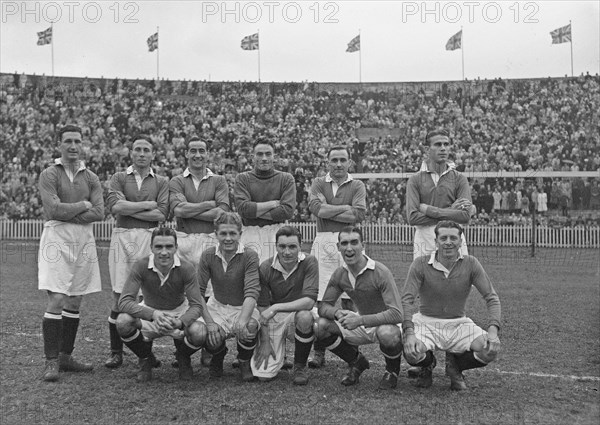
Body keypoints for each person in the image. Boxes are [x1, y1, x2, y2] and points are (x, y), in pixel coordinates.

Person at [38, 124, 105, 382]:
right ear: (60, 145)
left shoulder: (91, 177)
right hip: (57, 238)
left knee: (75, 300)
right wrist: (82, 205)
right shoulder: (50, 174)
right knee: (56, 299)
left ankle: (66, 356)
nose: (73, 146)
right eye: (68, 141)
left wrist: (71, 210)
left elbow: (99, 212)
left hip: (84, 239)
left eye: (77, 141)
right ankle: (51, 361)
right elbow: (53, 211)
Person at [401, 220, 501, 391]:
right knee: (412, 352)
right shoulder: (420, 264)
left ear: (460, 241)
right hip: (426, 322)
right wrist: (409, 333)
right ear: (436, 242)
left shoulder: (471, 264)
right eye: (443, 238)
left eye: (453, 238)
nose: (448, 242)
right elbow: (406, 300)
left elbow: (491, 298)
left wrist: (493, 332)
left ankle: (455, 366)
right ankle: (428, 364)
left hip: (458, 323)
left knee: (489, 350)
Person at [105, 135, 169, 369]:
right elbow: (116, 207)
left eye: (146, 150)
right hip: (122, 237)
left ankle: (146, 353)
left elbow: (161, 214)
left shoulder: (161, 181)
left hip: (149, 239)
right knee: (119, 295)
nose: (142, 153)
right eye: (137, 149)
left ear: (153, 154)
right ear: (131, 153)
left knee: (145, 297)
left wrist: (130, 208)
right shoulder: (119, 177)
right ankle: (115, 352)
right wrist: (146, 205)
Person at [313, 226, 404, 390]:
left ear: (363, 245)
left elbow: (397, 314)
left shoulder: (380, 271)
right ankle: (356, 362)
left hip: (385, 324)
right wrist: (338, 312)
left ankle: (392, 371)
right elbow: (323, 307)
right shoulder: (340, 274)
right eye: (344, 243)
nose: (349, 248)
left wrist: (360, 320)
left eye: (354, 242)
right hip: (361, 322)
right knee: (320, 327)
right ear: (338, 247)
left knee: (387, 334)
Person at [117, 227, 208, 382]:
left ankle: (183, 358)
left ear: (176, 248)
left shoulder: (187, 267)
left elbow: (197, 305)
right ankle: (145, 358)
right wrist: (153, 314)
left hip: (178, 313)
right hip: (150, 312)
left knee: (199, 332)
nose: (164, 252)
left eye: (169, 247)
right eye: (159, 247)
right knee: (123, 321)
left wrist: (180, 321)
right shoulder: (141, 265)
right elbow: (124, 302)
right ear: (151, 247)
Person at [169, 136, 230, 366]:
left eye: (201, 151)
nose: (197, 155)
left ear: (207, 154)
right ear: (186, 154)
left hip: (210, 239)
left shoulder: (219, 180)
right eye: (192, 150)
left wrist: (190, 209)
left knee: (209, 293)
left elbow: (221, 214)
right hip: (184, 240)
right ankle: (181, 350)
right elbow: (178, 211)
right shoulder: (177, 180)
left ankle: (207, 347)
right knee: (183, 294)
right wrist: (208, 204)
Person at [307, 145, 366, 369]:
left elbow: (358, 213)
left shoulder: (357, 184)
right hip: (323, 241)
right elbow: (317, 211)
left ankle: (352, 351)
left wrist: (328, 207)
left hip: (349, 239)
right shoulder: (318, 183)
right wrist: (344, 208)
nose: (339, 164)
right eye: (334, 160)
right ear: (328, 162)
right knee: (322, 297)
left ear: (349, 162)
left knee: (351, 294)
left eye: (343, 160)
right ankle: (319, 350)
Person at [196, 212, 261, 382]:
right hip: (218, 306)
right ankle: (218, 356)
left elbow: (252, 291)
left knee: (250, 325)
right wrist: (210, 323)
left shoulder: (250, 255)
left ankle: (244, 360)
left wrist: (242, 320)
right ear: (216, 234)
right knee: (201, 332)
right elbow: (198, 292)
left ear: (240, 234)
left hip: (242, 307)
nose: (228, 238)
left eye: (232, 233)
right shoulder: (208, 255)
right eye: (223, 233)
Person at [251, 226, 318, 385]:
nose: (287, 252)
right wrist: (266, 341)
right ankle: (279, 357)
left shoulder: (309, 262)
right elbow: (263, 308)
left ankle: (300, 366)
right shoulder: (266, 267)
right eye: (282, 246)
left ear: (300, 246)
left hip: (296, 313)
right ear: (276, 247)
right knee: (263, 376)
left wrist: (276, 307)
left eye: (292, 246)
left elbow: (309, 301)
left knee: (306, 317)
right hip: (273, 318)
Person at [406, 129, 475, 259]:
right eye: (438, 144)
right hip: (425, 243)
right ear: (427, 150)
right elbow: (413, 218)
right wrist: (451, 212)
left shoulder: (460, 178)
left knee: (458, 278)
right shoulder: (415, 180)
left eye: (446, 144)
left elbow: (465, 216)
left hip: (453, 240)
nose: (443, 148)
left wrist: (429, 210)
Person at [234, 138, 296, 263]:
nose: (264, 158)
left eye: (268, 154)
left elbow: (287, 211)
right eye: (259, 154)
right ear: (252, 157)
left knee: (278, 277)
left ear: (275, 157)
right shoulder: (243, 178)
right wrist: (272, 204)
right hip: (250, 234)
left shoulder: (286, 178)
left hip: (278, 234)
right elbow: (243, 210)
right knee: (251, 278)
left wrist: (254, 212)